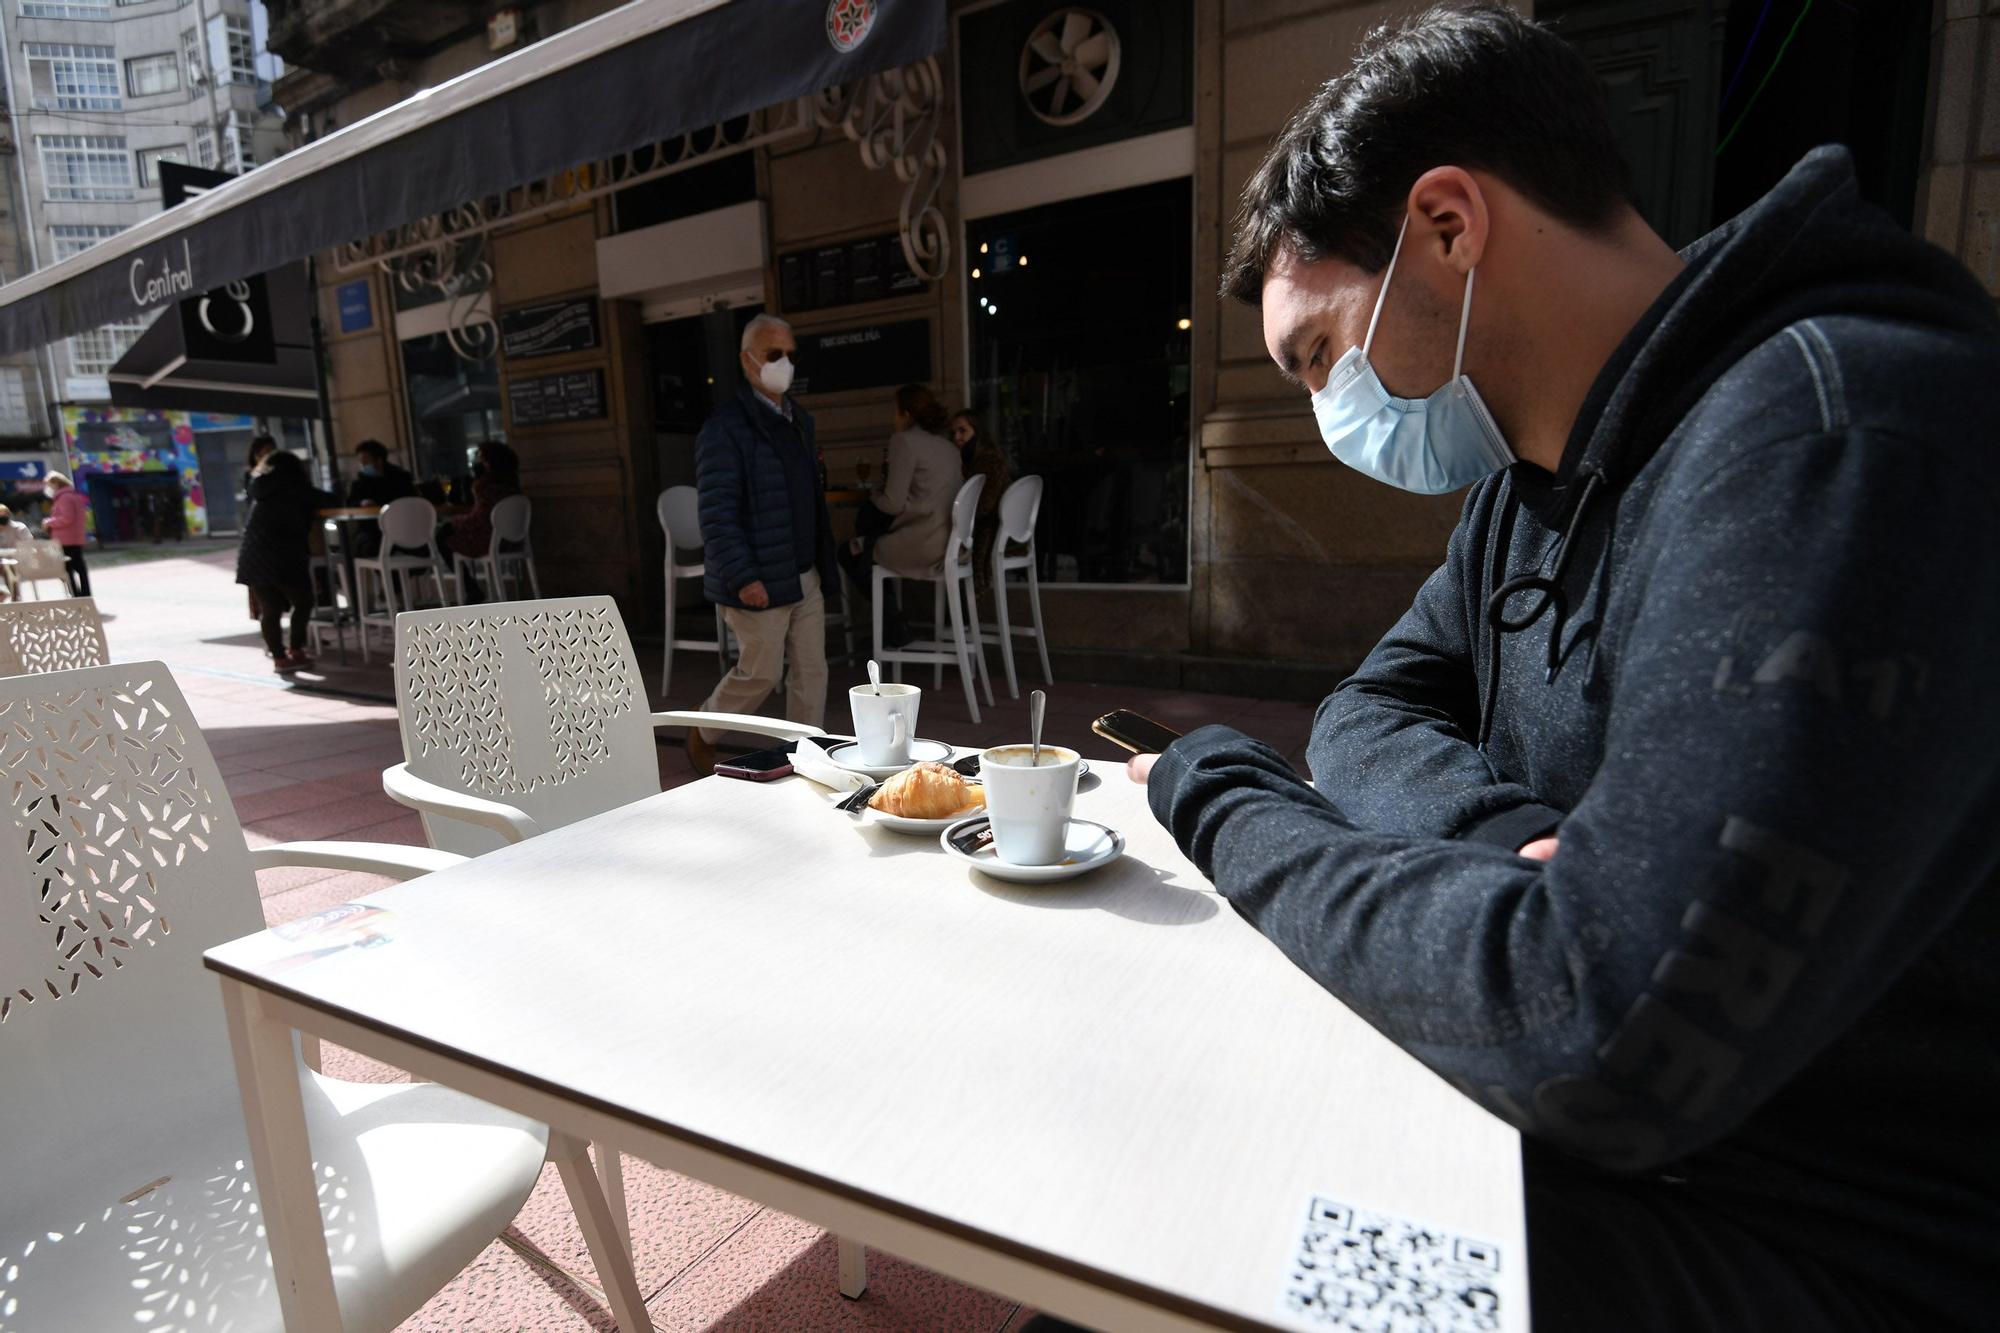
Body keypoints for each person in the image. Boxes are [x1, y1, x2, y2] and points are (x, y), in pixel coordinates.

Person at [1113, 6, 2000, 1333]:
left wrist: (1218, 794)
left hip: (1818, 1239)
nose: (1323, 409)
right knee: (1159, 1196)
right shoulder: (1526, 486)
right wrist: (1511, 848)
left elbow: (1592, 1030)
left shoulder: (1832, 441)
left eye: (1319, 353)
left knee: (1206, 1239)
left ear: (1450, 227)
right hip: (1608, 1155)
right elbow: (1369, 710)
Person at [687, 313, 834, 776]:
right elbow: (716, 513)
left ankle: (804, 756)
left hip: (802, 568)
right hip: (757, 576)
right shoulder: (725, 427)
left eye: (790, 354)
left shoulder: (798, 421)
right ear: (748, 361)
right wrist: (744, 575)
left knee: (812, 671)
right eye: (775, 354)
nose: (784, 363)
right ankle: (703, 729)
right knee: (760, 673)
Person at [837, 385, 962, 645]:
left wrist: (873, 494)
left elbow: (892, 504)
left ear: (906, 414)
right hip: (950, 543)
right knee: (866, 545)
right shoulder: (948, 447)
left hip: (921, 544)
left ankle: (894, 623)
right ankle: (893, 625)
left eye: (894, 412)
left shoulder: (903, 441)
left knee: (849, 553)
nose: (893, 418)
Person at [236, 449, 336, 673]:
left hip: (252, 554)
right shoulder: (296, 487)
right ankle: (296, 650)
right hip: (283, 554)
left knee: (269, 609)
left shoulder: (259, 487)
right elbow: (331, 500)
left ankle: (280, 658)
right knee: (303, 601)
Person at [447, 441, 521, 601]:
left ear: (489, 462)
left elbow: (481, 519)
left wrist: (456, 521)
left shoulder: (486, 486)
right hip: (512, 541)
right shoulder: (512, 482)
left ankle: (471, 588)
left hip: (488, 540)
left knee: (444, 536)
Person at [950, 409, 1011, 591]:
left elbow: (984, 507)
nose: (956, 438)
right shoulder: (969, 461)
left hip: (991, 531)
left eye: (962, 431)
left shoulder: (989, 462)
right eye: (953, 433)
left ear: (978, 431)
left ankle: (958, 604)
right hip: (986, 528)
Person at [41, 472, 89, 597]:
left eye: (49, 485)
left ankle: (76, 597)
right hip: (75, 538)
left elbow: (67, 518)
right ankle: (85, 596)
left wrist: (49, 522)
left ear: (56, 483)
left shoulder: (64, 498)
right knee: (80, 569)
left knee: (68, 571)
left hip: (65, 540)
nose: (48, 488)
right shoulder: (73, 496)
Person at [0, 504, 28, 600]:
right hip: (3, 561)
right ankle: (4, 593)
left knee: (7, 567)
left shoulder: (19, 527)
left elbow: (29, 545)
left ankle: (15, 598)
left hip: (19, 560)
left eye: (3, 516)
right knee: (4, 565)